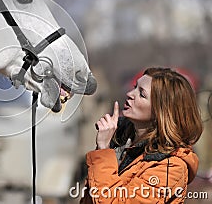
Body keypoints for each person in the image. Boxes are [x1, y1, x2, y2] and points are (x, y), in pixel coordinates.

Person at [80, 67, 203, 204]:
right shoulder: (120, 143)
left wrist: (103, 151)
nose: (129, 94)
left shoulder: (171, 167)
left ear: (161, 112)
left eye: (141, 94)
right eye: (134, 87)